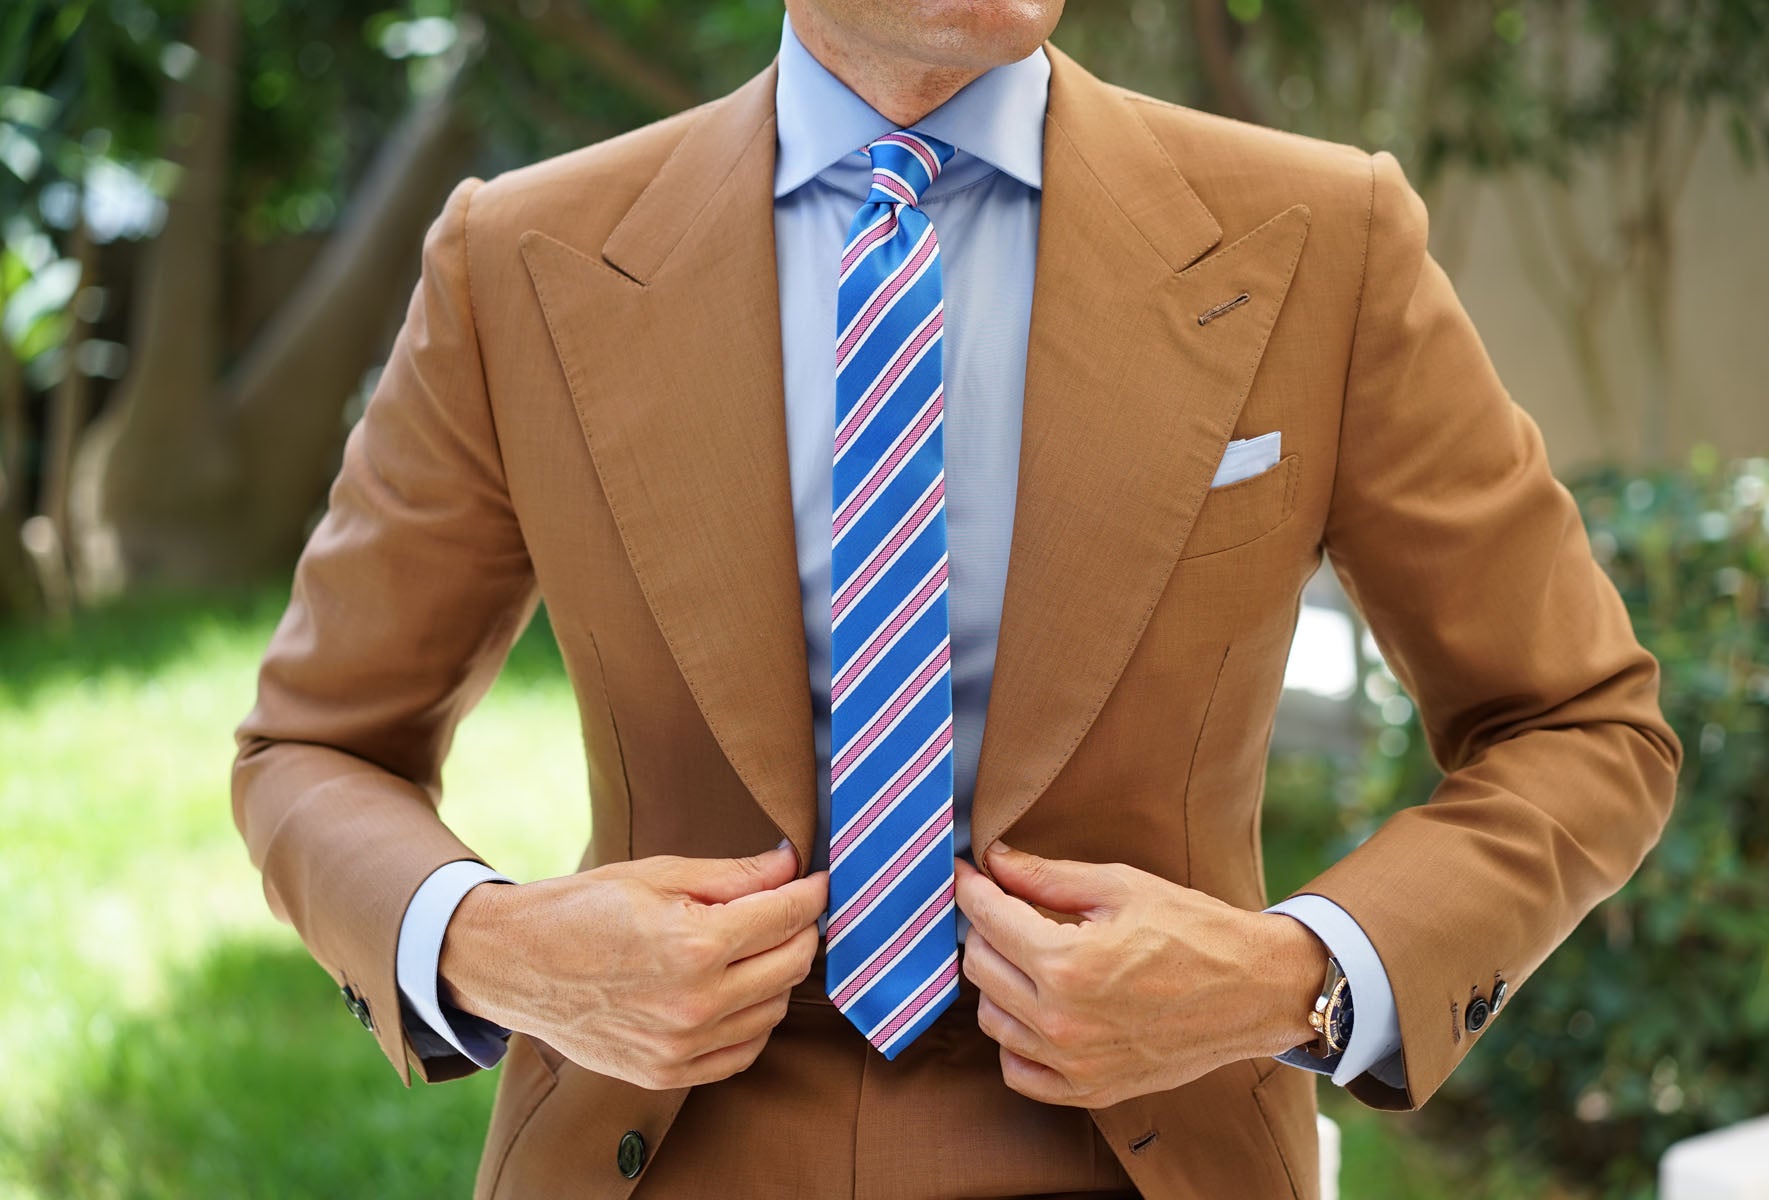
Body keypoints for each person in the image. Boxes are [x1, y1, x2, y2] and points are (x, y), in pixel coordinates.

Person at [230, 1, 1681, 1196]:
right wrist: (492, 947)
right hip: (656, 1148)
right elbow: (313, 748)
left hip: (1152, 1148)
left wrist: (1288, 977)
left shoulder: (1325, 234)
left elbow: (1580, 724)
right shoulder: (517, 261)